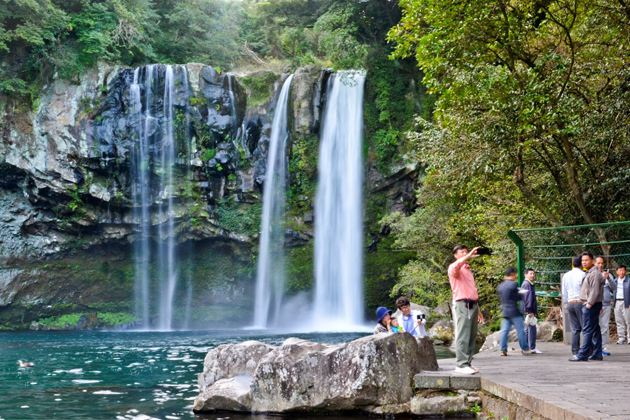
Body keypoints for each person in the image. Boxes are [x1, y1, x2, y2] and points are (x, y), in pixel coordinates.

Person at [447, 245, 482, 375]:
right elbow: (456, 267)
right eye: (462, 252)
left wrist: (479, 310)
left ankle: (467, 362)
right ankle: (461, 364)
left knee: (472, 335)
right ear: (455, 255)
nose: (466, 254)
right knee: (463, 334)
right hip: (462, 304)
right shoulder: (453, 267)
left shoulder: (468, 270)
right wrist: (467, 257)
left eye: (467, 252)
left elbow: (472, 291)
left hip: (472, 304)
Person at [569, 252, 605, 362]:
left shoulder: (594, 273)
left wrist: (589, 304)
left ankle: (583, 354)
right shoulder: (590, 272)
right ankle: (597, 353)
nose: (584, 262)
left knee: (587, 329)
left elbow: (595, 290)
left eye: (586, 260)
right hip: (590, 304)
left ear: (592, 261)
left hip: (591, 304)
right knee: (595, 329)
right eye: (583, 260)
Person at [498, 267, 531, 356]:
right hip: (514, 311)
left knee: (504, 331)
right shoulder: (513, 284)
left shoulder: (500, 286)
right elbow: (517, 297)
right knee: (520, 331)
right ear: (512, 274)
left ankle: (503, 349)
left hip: (505, 311)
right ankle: (525, 348)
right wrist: (522, 294)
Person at [562, 256, 586, 355]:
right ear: (581, 264)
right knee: (585, 327)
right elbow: (585, 290)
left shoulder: (566, 275)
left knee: (575, 329)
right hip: (581, 302)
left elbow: (564, 291)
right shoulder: (583, 274)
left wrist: (566, 303)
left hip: (570, 303)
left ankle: (575, 351)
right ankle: (587, 350)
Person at [595, 256, 616, 355]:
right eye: (598, 263)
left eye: (602, 263)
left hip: (606, 304)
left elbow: (614, 288)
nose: (600, 265)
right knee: (594, 326)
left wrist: (608, 279)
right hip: (595, 305)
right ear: (594, 263)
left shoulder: (608, 275)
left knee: (604, 327)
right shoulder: (592, 274)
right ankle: (594, 347)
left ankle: (602, 347)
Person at [521, 268, 542, 354]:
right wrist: (530, 310)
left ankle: (525, 347)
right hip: (528, 310)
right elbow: (528, 298)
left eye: (533, 274)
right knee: (531, 328)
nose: (533, 275)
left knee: (527, 329)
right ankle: (532, 347)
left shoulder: (525, 283)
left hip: (525, 309)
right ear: (526, 275)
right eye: (531, 274)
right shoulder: (528, 284)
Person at [614, 265, 630, 344]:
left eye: (623, 270)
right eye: (620, 270)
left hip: (626, 302)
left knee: (628, 321)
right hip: (617, 302)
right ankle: (621, 338)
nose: (621, 272)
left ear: (625, 271)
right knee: (619, 321)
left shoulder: (629, 280)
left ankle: (629, 338)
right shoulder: (615, 281)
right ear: (617, 272)